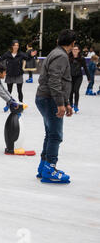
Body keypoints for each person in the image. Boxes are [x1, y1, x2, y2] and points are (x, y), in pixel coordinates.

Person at [35, 29, 76, 184]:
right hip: (49, 99)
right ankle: (50, 169)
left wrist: (66, 102)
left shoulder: (55, 53)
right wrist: (60, 103)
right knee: (55, 135)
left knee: (50, 133)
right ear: (72, 43)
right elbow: (54, 81)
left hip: (46, 98)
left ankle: (43, 167)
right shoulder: (61, 56)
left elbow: (61, 81)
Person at [0, 40, 35, 111]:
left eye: (17, 45)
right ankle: (8, 105)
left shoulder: (21, 54)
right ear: (12, 46)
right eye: (15, 45)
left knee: (19, 91)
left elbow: (28, 58)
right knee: (9, 92)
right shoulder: (7, 54)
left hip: (18, 74)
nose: (16, 47)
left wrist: (31, 56)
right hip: (10, 74)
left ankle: (21, 105)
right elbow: (0, 59)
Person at [69, 45, 90, 112]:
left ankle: (76, 105)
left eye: (76, 49)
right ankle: (71, 104)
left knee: (76, 90)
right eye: (73, 49)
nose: (74, 51)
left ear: (78, 50)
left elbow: (85, 69)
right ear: (71, 50)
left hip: (78, 77)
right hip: (70, 77)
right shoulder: (68, 58)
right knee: (70, 91)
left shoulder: (81, 58)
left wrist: (88, 77)